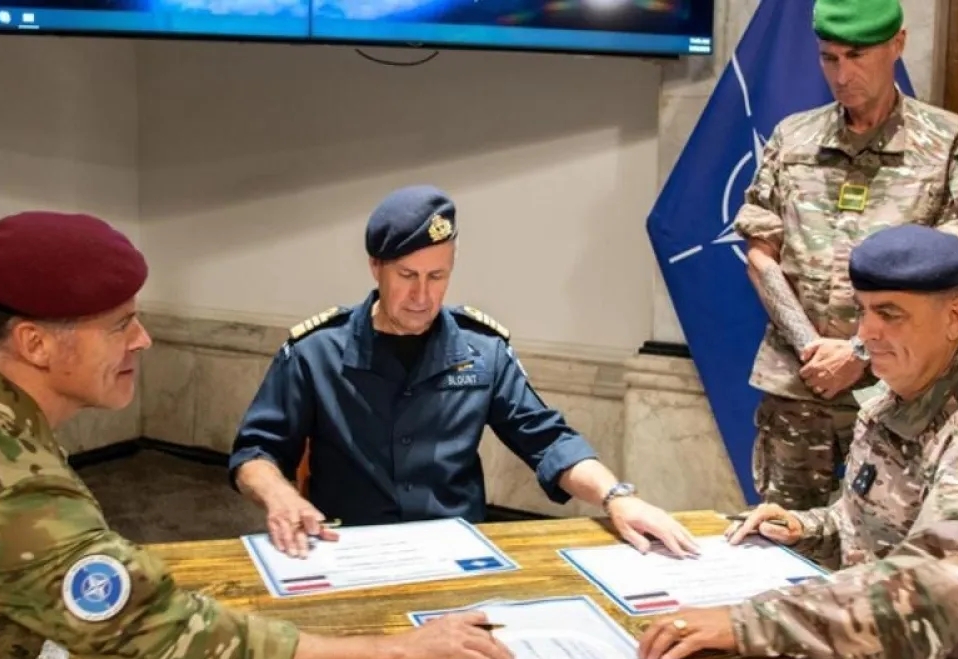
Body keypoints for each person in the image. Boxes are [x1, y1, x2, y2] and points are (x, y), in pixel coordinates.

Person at [0, 211, 517, 659]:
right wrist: (404, 651)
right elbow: (204, 654)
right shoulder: (14, 498)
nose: (143, 340)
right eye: (120, 324)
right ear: (35, 344)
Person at [635, 225, 958, 659]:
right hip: (883, 657)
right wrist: (804, 529)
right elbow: (864, 529)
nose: (865, 333)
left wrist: (745, 622)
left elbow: (935, 591)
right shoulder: (888, 403)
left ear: (954, 317)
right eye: (863, 310)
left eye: (890, 314)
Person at [229, 184, 698, 559]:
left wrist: (617, 496)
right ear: (376, 267)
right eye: (407, 276)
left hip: (453, 554)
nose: (422, 296)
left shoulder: (481, 350)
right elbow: (255, 450)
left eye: (437, 276)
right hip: (351, 551)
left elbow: (548, 440)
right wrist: (279, 495)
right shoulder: (316, 352)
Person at [735, 0, 958, 512]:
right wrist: (814, 349)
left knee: (889, 537)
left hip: (899, 389)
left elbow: (955, 268)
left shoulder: (946, 141)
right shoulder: (794, 138)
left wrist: (857, 353)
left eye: (857, 56)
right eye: (829, 58)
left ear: (897, 44)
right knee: (784, 532)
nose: (842, 74)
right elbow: (760, 255)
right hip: (800, 388)